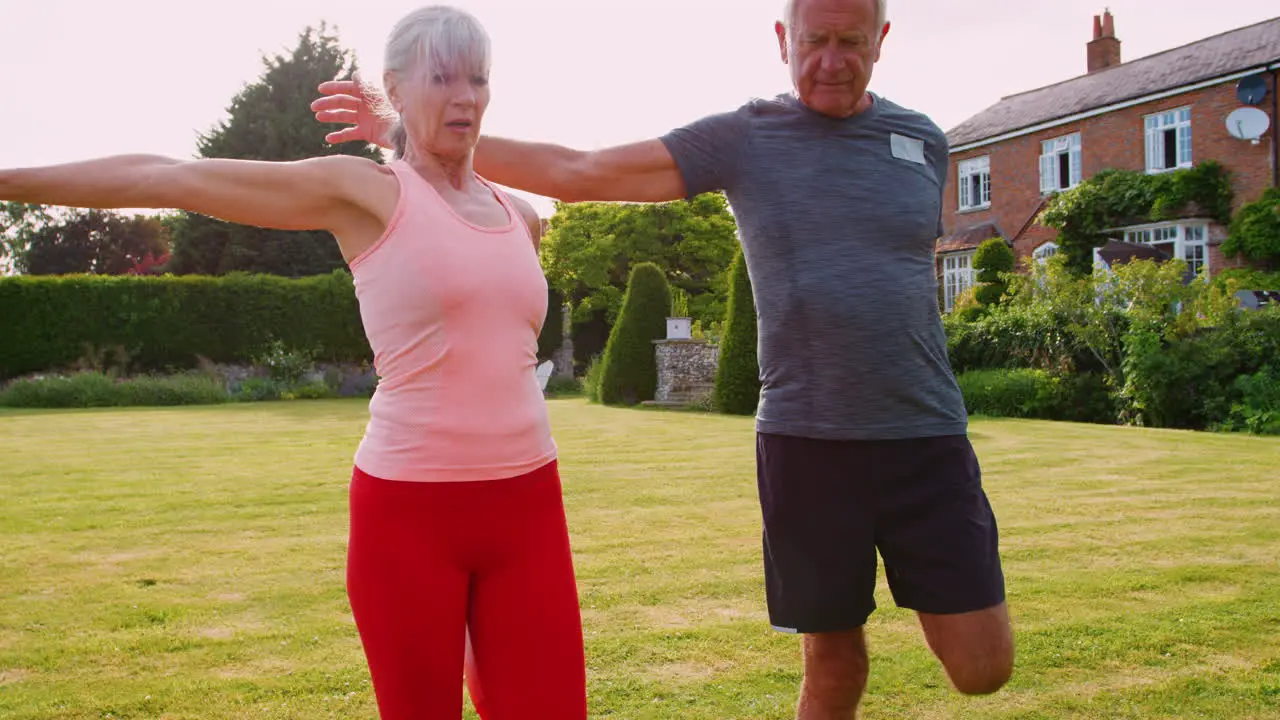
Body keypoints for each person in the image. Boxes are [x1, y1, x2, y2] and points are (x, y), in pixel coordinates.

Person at [314, 0, 1014, 716]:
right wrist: (407, 128)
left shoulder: (923, 141)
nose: (830, 60)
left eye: (850, 43)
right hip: (810, 440)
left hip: (925, 434)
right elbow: (578, 169)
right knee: (834, 662)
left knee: (983, 665)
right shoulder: (748, 138)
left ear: (882, 41)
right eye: (814, 42)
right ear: (783, 40)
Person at [1, 6, 587, 720]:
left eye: (478, 78)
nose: (464, 96)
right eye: (441, 77)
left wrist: (401, 127)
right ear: (395, 88)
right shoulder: (367, 192)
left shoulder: (520, 214)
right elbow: (167, 176)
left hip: (529, 508)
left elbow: (554, 172)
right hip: (411, 518)